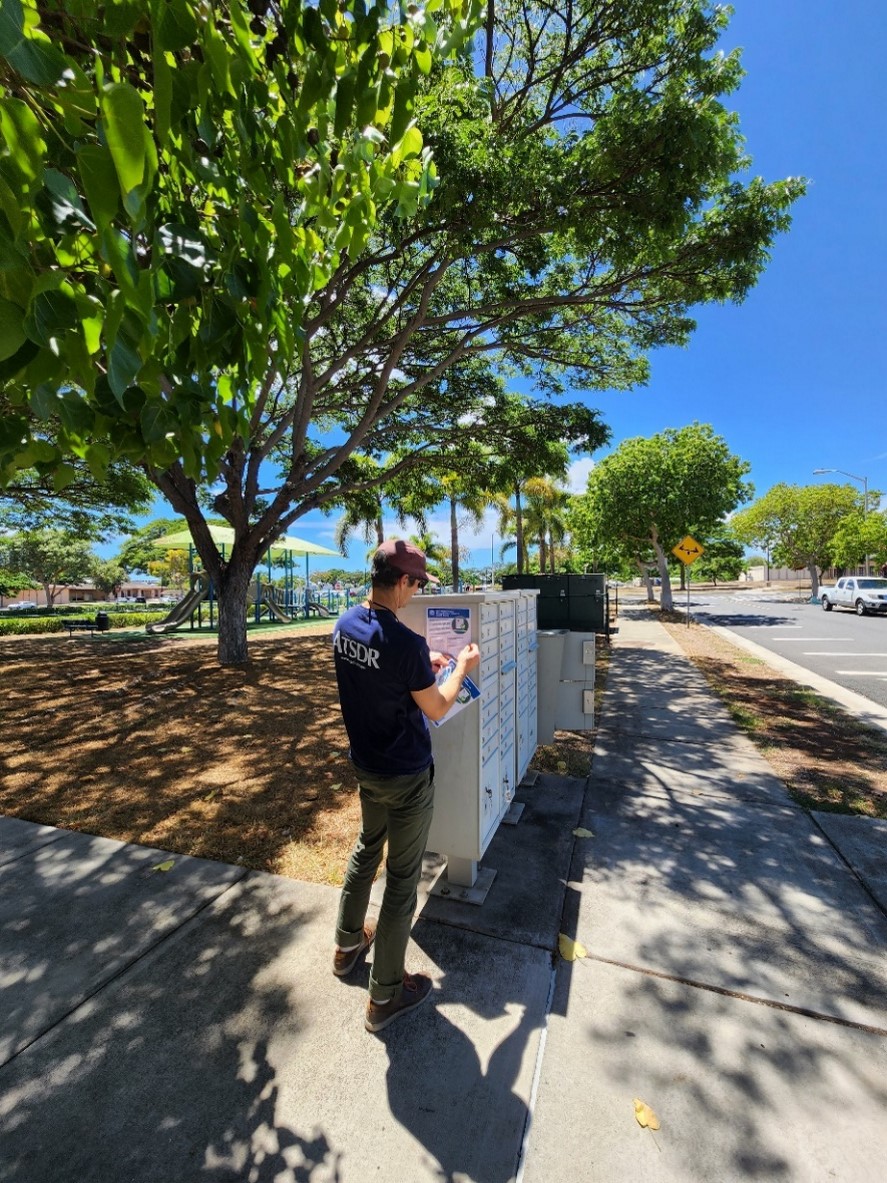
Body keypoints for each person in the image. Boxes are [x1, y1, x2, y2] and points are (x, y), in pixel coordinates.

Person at [331, 539, 480, 1033]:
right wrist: (459, 667)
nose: (416, 592)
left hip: (366, 766)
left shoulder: (344, 625)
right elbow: (436, 708)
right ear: (400, 581)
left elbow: (383, 671)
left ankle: (347, 946)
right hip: (407, 774)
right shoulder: (403, 644)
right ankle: (386, 996)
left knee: (365, 848)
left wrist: (426, 661)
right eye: (416, 583)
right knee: (400, 881)